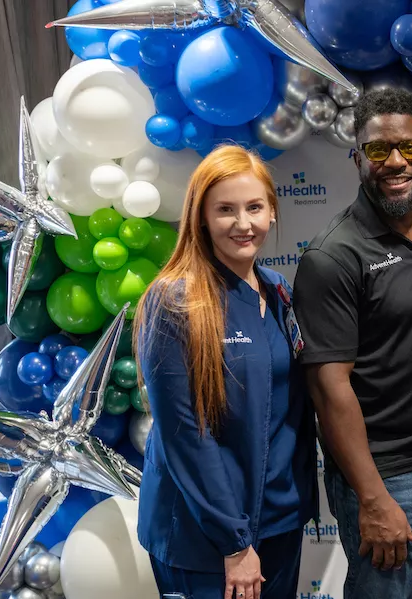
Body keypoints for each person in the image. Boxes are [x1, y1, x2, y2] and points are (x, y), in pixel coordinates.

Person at [293, 89, 412, 599]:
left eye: (409, 148)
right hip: (386, 478)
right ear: (357, 159)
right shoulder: (333, 256)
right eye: (378, 151)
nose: (396, 162)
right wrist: (373, 500)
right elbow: (330, 392)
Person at [134, 145, 318, 599]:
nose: (243, 224)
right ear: (200, 217)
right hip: (208, 539)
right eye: (225, 210)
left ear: (272, 212)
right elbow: (185, 434)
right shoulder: (175, 300)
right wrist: (235, 544)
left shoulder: (278, 291)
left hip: (278, 521)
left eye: (254, 207)